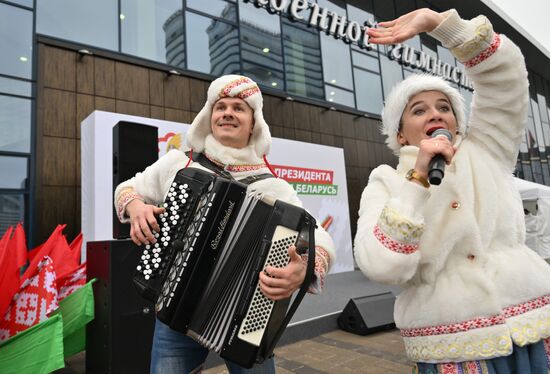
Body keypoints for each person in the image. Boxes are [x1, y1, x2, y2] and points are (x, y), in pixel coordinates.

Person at [354, 8, 550, 373]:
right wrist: (418, 181)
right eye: (419, 110)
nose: (435, 114)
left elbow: (507, 79)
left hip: (533, 327)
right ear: (399, 134)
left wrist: (439, 24)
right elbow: (381, 265)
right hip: (454, 347)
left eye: (444, 107)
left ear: (458, 124)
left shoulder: (487, 150)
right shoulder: (387, 181)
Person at [114, 74, 335, 374]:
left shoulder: (274, 186)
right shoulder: (179, 163)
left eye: (239, 108)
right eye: (220, 107)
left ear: (254, 122)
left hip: (245, 319)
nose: (228, 112)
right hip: (174, 310)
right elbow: (127, 189)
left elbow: (319, 238)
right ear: (209, 116)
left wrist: (303, 269)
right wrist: (136, 207)